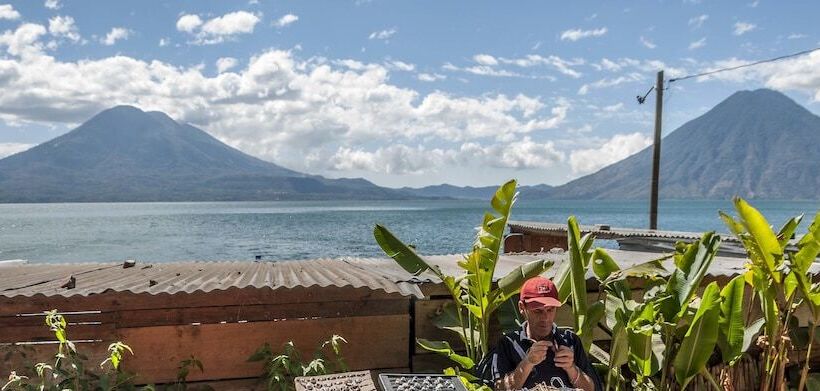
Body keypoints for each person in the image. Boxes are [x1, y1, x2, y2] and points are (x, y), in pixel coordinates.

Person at [491, 276, 602, 391]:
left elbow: (591, 389)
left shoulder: (570, 340)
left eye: (550, 310)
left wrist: (571, 368)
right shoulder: (508, 343)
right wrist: (528, 362)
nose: (545, 317)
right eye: (537, 311)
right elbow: (499, 388)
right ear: (522, 307)